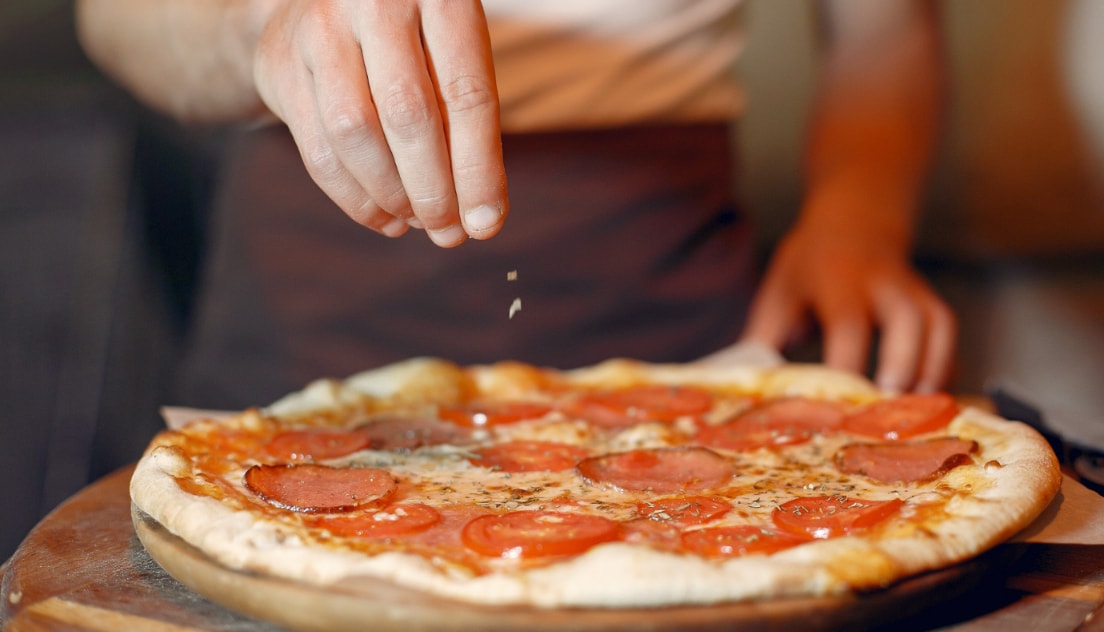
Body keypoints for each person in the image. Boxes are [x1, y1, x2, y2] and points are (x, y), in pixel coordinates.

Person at [74, 0, 955, 408]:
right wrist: (258, 28)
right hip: (295, 325)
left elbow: (883, 30)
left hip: (684, 347)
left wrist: (857, 218)